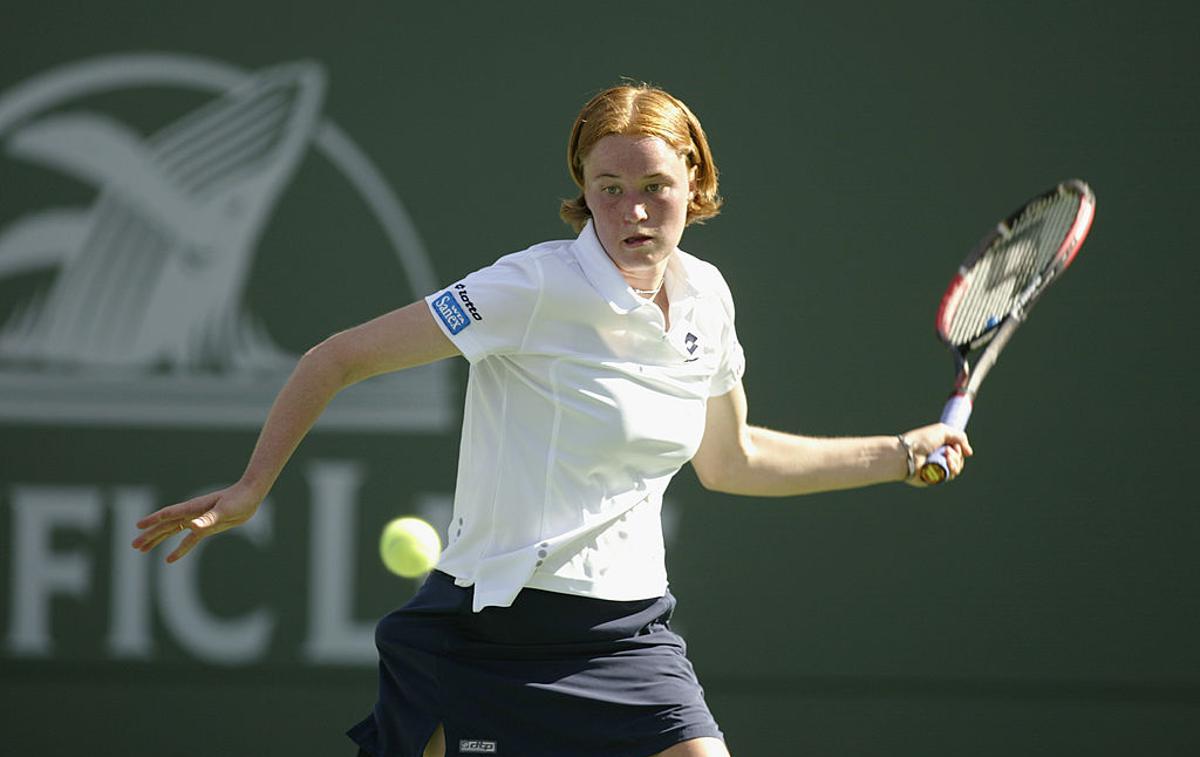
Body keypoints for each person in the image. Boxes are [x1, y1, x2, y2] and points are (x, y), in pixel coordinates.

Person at [132, 83, 971, 757]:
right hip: (491, 631)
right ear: (583, 193)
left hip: (629, 632)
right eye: (610, 190)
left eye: (655, 188)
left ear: (696, 187)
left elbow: (733, 457)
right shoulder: (530, 289)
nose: (634, 212)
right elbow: (337, 357)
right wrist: (251, 487)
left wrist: (898, 453)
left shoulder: (708, 298)